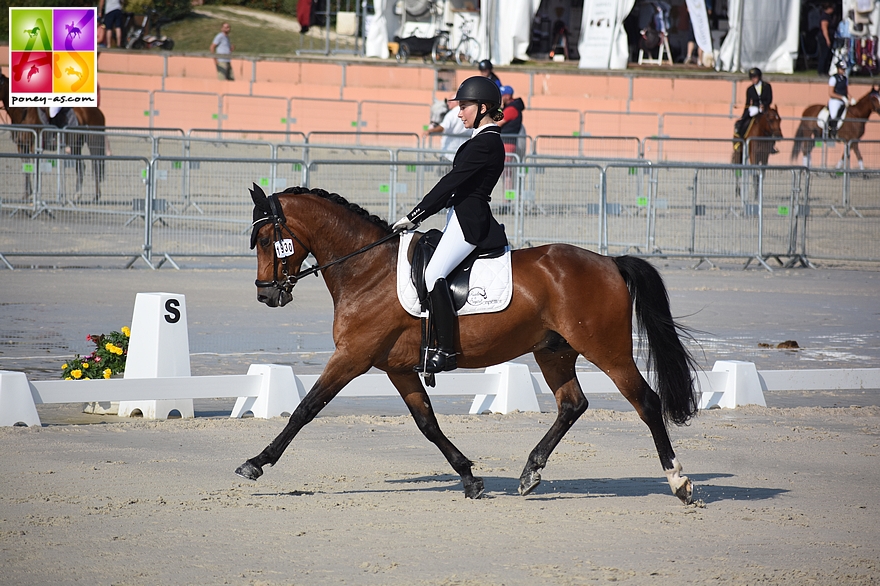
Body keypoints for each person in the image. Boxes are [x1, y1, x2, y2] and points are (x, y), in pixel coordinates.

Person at [392, 77, 508, 374]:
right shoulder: (480, 140)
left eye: (465, 107)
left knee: (433, 274)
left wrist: (415, 215)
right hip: (459, 215)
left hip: (469, 221)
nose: (459, 113)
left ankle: (445, 351)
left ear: (483, 108)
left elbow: (450, 183)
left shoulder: (486, 142)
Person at [735, 68, 773, 140]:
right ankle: (741, 134)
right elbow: (748, 103)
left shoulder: (767, 86)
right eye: (752, 77)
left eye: (755, 77)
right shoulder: (750, 89)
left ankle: (772, 142)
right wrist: (744, 115)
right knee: (749, 116)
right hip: (755, 108)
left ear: (759, 77)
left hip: (765, 108)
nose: (753, 79)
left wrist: (764, 105)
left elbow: (769, 99)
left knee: (773, 121)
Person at [827, 61, 855, 139]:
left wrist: (851, 98)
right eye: (841, 69)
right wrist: (842, 97)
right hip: (835, 100)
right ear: (838, 69)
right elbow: (831, 93)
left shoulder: (845, 79)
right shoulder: (833, 78)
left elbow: (846, 92)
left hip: (844, 100)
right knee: (833, 115)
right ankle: (832, 130)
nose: (843, 71)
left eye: (844, 69)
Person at [497, 85, 525, 156]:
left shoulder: (511, 109)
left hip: (507, 143)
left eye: (502, 95)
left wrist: (500, 107)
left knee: (506, 166)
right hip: (505, 142)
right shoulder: (509, 108)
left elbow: (497, 123)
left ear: (507, 96)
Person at [818, 4, 836, 75]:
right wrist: (827, 39)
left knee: (827, 54)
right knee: (824, 54)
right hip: (824, 38)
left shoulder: (829, 17)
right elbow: (824, 29)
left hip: (829, 37)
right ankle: (821, 70)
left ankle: (825, 70)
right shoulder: (825, 17)